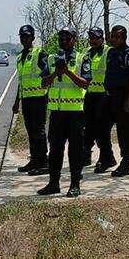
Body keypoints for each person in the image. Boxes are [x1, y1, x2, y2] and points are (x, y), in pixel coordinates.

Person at [38, 27, 92, 197]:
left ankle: (75, 184)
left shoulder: (83, 58)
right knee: (55, 150)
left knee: (75, 151)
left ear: (74, 39)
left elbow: (85, 84)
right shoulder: (52, 59)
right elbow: (43, 84)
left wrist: (68, 72)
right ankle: (53, 183)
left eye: (67, 39)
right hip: (56, 112)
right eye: (61, 39)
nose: (64, 42)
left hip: (76, 113)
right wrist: (56, 72)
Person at [11, 25, 50, 175]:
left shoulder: (39, 54)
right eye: (22, 36)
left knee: (39, 131)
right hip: (26, 98)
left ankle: (43, 162)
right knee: (30, 131)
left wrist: (48, 93)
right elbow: (21, 81)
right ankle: (34, 160)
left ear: (33, 38)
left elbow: (48, 75)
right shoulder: (20, 57)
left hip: (39, 98)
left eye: (27, 36)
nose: (24, 39)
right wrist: (16, 101)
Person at [104, 25, 129, 177]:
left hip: (123, 97)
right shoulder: (111, 53)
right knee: (101, 127)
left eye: (118, 37)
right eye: (113, 37)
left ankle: (126, 162)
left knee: (125, 131)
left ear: (125, 38)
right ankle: (107, 157)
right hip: (109, 97)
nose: (114, 39)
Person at [83, 27, 115, 173]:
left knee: (102, 130)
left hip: (104, 96)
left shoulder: (109, 52)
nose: (93, 41)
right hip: (90, 95)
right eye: (91, 38)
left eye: (96, 38)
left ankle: (105, 158)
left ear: (102, 38)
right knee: (88, 128)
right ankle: (89, 155)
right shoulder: (87, 53)